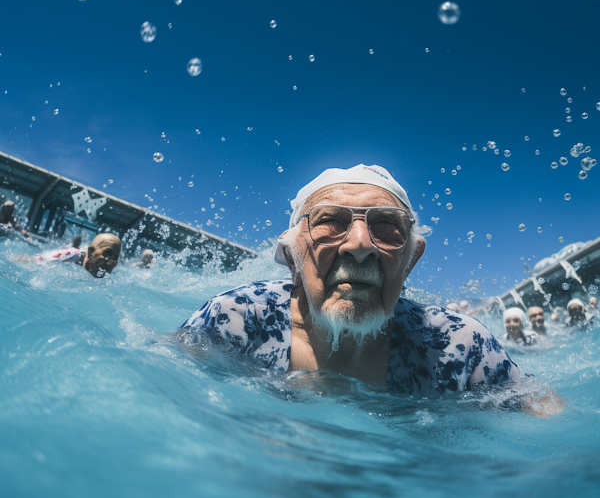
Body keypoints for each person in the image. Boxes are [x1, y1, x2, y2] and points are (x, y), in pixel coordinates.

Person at [179, 163, 526, 394]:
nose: (360, 245)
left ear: (410, 260)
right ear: (292, 256)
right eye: (330, 221)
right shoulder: (237, 320)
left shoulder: (459, 347)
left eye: (386, 226)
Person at [33, 233, 121, 278]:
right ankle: (73, 245)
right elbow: (38, 259)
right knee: (70, 250)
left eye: (115, 258)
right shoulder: (67, 255)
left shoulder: (103, 270)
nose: (111, 261)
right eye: (108, 254)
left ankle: (75, 245)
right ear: (91, 252)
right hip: (73, 254)